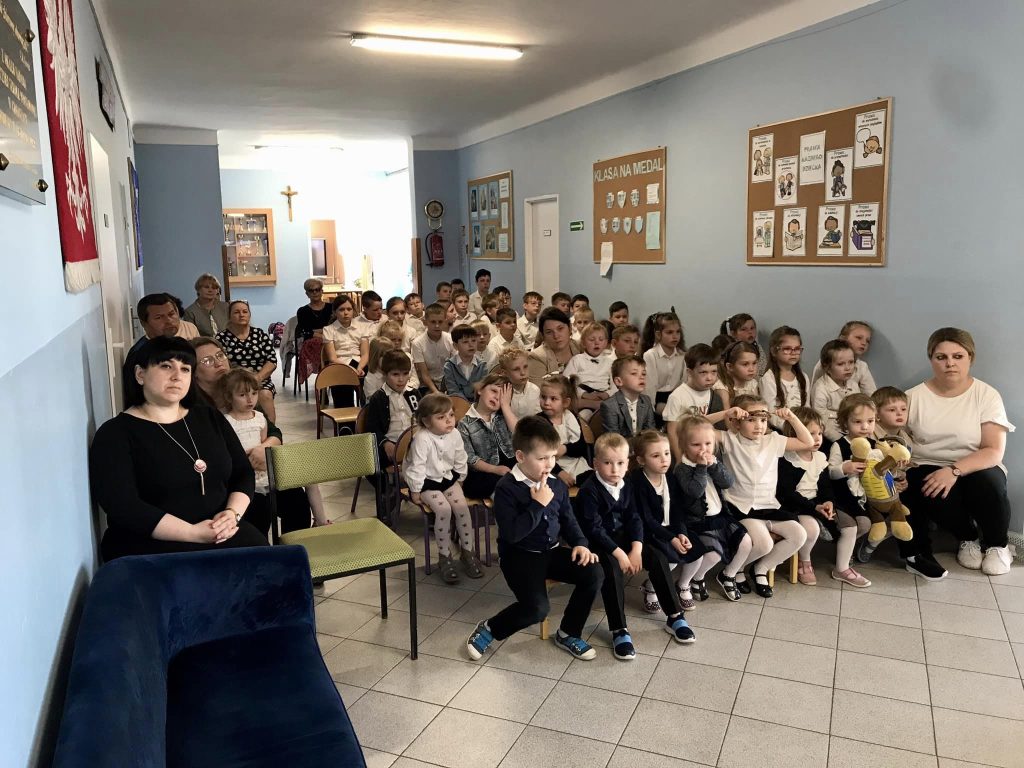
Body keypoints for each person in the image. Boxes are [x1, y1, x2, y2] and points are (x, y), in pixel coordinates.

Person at [90, 337, 267, 561]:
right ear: (140, 374)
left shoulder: (209, 417)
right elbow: (123, 505)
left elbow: (242, 472)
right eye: (166, 366)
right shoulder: (115, 433)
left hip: (220, 531)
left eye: (185, 369)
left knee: (273, 564)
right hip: (151, 545)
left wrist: (232, 515)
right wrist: (192, 533)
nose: (177, 376)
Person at [465, 416, 602, 661]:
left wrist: (581, 544)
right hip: (519, 556)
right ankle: (490, 628)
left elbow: (568, 520)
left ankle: (568, 633)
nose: (549, 464)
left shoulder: (556, 485)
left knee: (594, 572)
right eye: (542, 458)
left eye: (552, 456)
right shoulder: (506, 488)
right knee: (537, 609)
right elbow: (512, 534)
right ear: (520, 456)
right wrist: (538, 505)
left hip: (551, 551)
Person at [902, 328, 1015, 577]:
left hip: (977, 465)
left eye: (958, 356)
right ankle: (968, 538)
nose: (950, 363)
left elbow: (993, 450)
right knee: (925, 483)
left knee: (990, 483)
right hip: (928, 464)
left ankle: (998, 545)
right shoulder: (912, 397)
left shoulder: (986, 395)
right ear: (931, 359)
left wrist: (954, 470)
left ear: (970, 358)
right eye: (941, 357)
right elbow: (896, 439)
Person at [578, 432, 695, 659]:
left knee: (658, 558)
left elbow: (634, 518)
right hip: (599, 544)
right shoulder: (588, 490)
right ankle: (619, 629)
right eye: (607, 463)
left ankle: (674, 616)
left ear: (628, 463)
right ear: (595, 463)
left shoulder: (626, 484)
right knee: (612, 570)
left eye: (620, 463)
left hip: (624, 538)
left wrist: (636, 549)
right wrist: (621, 555)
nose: (615, 469)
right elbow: (594, 529)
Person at [714, 395, 814, 599]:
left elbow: (808, 442)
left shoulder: (773, 440)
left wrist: (792, 418)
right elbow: (694, 427)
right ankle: (731, 571)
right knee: (764, 544)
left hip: (769, 506)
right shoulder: (729, 439)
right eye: (751, 420)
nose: (758, 425)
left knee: (799, 535)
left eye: (763, 420)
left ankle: (760, 569)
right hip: (742, 507)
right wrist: (726, 413)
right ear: (737, 422)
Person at [218, 368, 328, 535]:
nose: (250, 399)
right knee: (259, 515)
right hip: (243, 475)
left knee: (302, 487)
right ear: (229, 397)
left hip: (264, 470)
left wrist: (263, 452)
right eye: (242, 395)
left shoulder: (259, 417)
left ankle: (310, 529)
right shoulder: (226, 421)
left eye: (254, 393)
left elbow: (266, 441)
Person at [779, 407, 871, 587]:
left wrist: (828, 502)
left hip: (817, 503)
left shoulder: (820, 457)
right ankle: (805, 562)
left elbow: (825, 486)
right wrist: (814, 507)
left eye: (819, 433)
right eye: (811, 434)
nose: (817, 438)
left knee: (850, 526)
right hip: (796, 505)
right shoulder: (786, 459)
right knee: (811, 529)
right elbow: (786, 493)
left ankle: (842, 568)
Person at [402, 393, 484, 584]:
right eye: (441, 417)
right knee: (444, 510)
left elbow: (460, 457)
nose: (448, 420)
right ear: (426, 421)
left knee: (462, 508)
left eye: (451, 415)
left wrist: (461, 478)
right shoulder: (422, 438)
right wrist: (415, 490)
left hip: (447, 478)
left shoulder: (454, 434)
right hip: (426, 482)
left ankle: (467, 552)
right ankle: (445, 557)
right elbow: (417, 467)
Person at [628, 431, 706, 619]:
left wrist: (681, 533)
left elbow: (678, 510)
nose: (664, 459)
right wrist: (671, 539)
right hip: (649, 531)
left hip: (671, 528)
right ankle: (651, 587)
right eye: (656, 456)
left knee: (697, 554)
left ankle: (683, 585)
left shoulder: (670, 476)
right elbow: (646, 519)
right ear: (641, 460)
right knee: (668, 560)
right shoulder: (637, 482)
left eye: (667, 453)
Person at [673, 416, 752, 602]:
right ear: (684, 446)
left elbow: (728, 482)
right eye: (696, 445)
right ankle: (693, 579)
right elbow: (695, 491)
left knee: (746, 543)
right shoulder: (682, 469)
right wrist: (701, 468)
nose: (703, 449)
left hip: (720, 516)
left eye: (708, 443)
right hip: (698, 522)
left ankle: (728, 574)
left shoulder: (714, 460)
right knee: (713, 554)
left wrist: (714, 465)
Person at [122, 293, 201, 404]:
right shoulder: (140, 354)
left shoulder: (178, 344)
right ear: (143, 323)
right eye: (159, 317)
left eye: (171, 314)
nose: (168, 321)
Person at [457, 373, 519, 498]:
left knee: (528, 468)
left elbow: (519, 433)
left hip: (509, 463)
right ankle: (503, 498)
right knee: (476, 485)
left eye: (502, 397)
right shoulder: (465, 424)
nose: (497, 397)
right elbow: (470, 458)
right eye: (494, 391)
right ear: (480, 390)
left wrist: (505, 406)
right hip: (485, 469)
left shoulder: (504, 416)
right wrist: (495, 469)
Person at [216, 300, 278, 422]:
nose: (241, 315)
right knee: (234, 395)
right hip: (233, 380)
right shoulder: (221, 338)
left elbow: (272, 360)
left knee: (265, 394)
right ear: (229, 316)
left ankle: (271, 429)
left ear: (249, 314)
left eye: (245, 311)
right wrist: (238, 380)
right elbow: (221, 363)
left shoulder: (259, 334)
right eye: (236, 312)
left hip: (259, 379)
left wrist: (257, 378)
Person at [664, 344, 726, 461]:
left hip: (706, 453)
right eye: (703, 372)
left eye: (714, 372)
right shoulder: (677, 396)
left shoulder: (715, 397)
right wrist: (679, 459)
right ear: (689, 372)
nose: (709, 378)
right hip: (686, 452)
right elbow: (672, 431)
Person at [364, 350, 420, 469]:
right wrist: (385, 443)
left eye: (405, 374)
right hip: (392, 443)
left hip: (417, 441)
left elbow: (423, 419)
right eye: (395, 374)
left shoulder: (414, 394)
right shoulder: (378, 398)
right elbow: (372, 428)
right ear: (385, 374)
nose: (401, 379)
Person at [538, 375, 592, 487]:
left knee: (592, 481)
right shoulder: (539, 422)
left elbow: (581, 447)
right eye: (543, 397)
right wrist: (560, 472)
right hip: (551, 467)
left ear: (565, 402)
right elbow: (539, 454)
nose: (546, 402)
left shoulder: (571, 417)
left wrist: (565, 448)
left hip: (576, 463)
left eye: (553, 399)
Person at [760, 326, 811, 431]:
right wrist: (791, 428)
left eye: (797, 349)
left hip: (802, 428)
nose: (793, 352)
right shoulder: (769, 379)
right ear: (774, 351)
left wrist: (807, 426)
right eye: (787, 349)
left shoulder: (803, 377)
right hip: (780, 429)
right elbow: (770, 412)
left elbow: (807, 407)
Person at [562, 322, 614, 420]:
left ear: (606, 343)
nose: (597, 343)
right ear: (583, 343)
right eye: (592, 340)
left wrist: (607, 394)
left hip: (604, 397)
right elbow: (567, 382)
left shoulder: (610, 362)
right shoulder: (577, 360)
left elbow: (615, 384)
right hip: (583, 398)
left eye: (601, 339)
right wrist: (584, 394)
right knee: (584, 415)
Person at [810, 321, 876, 395]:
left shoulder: (862, 367)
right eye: (859, 338)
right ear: (843, 338)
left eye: (867, 341)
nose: (864, 343)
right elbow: (814, 391)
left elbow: (871, 394)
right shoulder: (825, 363)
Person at [811, 339, 857, 442]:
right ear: (827, 367)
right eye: (841, 364)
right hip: (829, 436)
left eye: (851, 362)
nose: (848, 368)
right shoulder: (820, 388)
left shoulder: (853, 385)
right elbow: (821, 421)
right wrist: (842, 441)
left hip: (852, 433)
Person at [642, 312, 686, 418]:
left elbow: (684, 382)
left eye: (678, 332)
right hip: (657, 399)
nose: (675, 336)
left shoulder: (682, 355)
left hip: (676, 398)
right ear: (658, 334)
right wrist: (651, 411)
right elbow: (650, 387)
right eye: (669, 332)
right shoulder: (650, 355)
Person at [600, 356, 656, 439]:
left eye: (643, 374)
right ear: (619, 381)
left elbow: (650, 431)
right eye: (634, 373)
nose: (642, 377)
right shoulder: (609, 405)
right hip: (619, 445)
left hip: (642, 445)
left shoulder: (646, 400)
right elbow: (613, 439)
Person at [527, 308, 580, 386]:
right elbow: (539, 391)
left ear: (570, 328)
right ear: (542, 336)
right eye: (549, 332)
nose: (556, 336)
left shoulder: (580, 346)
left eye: (560, 329)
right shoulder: (536, 357)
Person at [411, 303, 454, 394]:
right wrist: (436, 392)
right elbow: (424, 374)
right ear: (425, 322)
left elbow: (454, 368)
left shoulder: (450, 339)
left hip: (449, 382)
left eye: (440, 322)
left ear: (445, 320)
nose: (437, 326)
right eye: (433, 322)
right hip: (427, 385)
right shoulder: (417, 343)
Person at [443, 324, 487, 401]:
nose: (471, 345)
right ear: (455, 345)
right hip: (458, 403)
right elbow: (454, 391)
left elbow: (483, 390)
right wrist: (466, 405)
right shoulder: (449, 366)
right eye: (465, 342)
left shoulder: (482, 365)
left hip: (477, 403)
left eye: (473, 341)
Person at [715, 341, 761, 410]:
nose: (751, 369)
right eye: (745, 364)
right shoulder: (722, 387)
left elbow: (756, 409)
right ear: (730, 366)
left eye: (754, 363)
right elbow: (727, 414)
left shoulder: (752, 383)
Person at [499, 349, 541, 419]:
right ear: (505, 373)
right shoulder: (501, 392)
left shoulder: (535, 390)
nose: (523, 373)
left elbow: (538, 417)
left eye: (525, 367)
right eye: (516, 369)